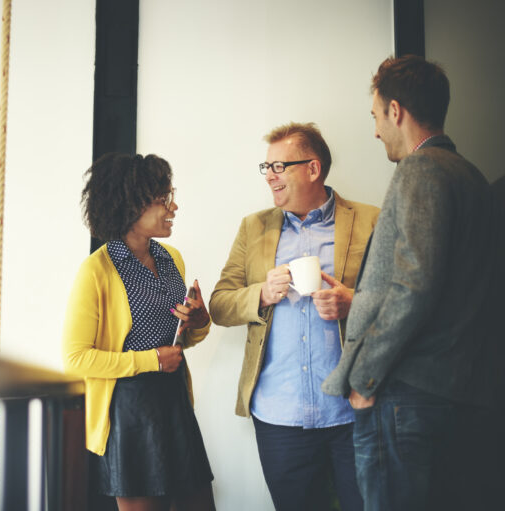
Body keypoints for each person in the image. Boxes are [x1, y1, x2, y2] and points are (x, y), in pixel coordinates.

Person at [322, 55, 501, 510]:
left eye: (376, 116)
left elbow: (414, 285)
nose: (375, 130)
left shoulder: (421, 169)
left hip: (408, 398)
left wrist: (365, 377)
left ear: (396, 110)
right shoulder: (474, 178)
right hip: (462, 395)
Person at [210, 122, 379, 511]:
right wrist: (261, 293)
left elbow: (402, 301)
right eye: (266, 167)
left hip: (353, 410)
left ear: (313, 168)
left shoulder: (371, 220)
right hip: (279, 415)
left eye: (278, 166)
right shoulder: (253, 227)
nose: (269, 176)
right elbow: (220, 304)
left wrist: (352, 302)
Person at [62, 153, 215, 511]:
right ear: (130, 204)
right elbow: (75, 359)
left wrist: (198, 322)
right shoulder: (96, 271)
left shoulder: (171, 257)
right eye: (163, 198)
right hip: (129, 413)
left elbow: (180, 340)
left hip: (174, 401)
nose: (173, 206)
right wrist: (152, 361)